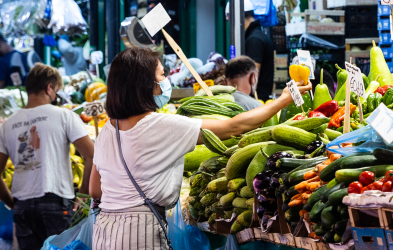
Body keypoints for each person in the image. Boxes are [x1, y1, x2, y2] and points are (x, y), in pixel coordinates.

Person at [89, 48, 311, 249]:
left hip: (105, 229)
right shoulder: (158, 125)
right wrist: (283, 100)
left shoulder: (109, 129)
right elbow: (234, 127)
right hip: (139, 233)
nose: (166, 81)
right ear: (145, 85)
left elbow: (94, 190)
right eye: (161, 75)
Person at [0, 63, 94, 250]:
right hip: (55, 204)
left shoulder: (7, 125)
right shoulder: (64, 116)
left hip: (23, 207)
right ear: (49, 88)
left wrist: (13, 204)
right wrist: (83, 195)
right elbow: (92, 155)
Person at [225, 0, 274, 102]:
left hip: (257, 100)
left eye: (230, 21)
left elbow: (253, 74)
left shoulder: (254, 40)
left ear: (238, 16)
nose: (231, 26)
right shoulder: (257, 36)